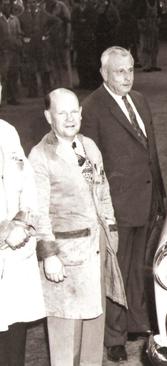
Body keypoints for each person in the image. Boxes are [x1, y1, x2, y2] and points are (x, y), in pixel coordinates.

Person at [29, 88, 126, 366]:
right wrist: (49, 255)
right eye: (62, 112)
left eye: (75, 111)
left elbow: (103, 191)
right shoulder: (40, 156)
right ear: (49, 116)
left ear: (81, 113)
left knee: (94, 333)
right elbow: (38, 211)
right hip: (66, 260)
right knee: (65, 340)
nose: (70, 118)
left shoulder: (89, 146)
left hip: (96, 252)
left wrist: (111, 231)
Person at [80, 46, 165, 362]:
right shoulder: (92, 108)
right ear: (104, 73)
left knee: (135, 268)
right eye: (119, 71)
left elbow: (150, 151)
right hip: (115, 206)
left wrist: (160, 194)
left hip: (145, 199)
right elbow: (89, 163)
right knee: (114, 272)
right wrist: (101, 210)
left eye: (130, 69)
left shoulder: (139, 101)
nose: (127, 76)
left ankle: (136, 323)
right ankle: (114, 337)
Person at [0, 82, 45, 366]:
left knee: (14, 334)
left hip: (14, 252)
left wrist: (21, 220)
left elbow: (28, 186)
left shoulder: (7, 132)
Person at [18, 0, 60, 97]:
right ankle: (33, 91)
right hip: (30, 46)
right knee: (31, 69)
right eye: (30, 2)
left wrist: (48, 34)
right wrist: (23, 36)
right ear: (27, 4)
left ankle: (47, 90)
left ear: (37, 3)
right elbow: (16, 26)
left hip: (42, 45)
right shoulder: (22, 16)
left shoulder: (44, 14)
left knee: (44, 68)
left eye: (34, 2)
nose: (32, 4)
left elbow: (57, 22)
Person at [43, 0, 72, 89]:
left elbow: (68, 23)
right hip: (51, 39)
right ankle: (56, 84)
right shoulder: (45, 7)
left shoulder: (61, 6)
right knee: (53, 62)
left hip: (62, 38)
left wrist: (67, 37)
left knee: (64, 62)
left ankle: (67, 84)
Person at [71, 0, 99, 89]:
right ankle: (83, 82)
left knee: (90, 61)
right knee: (80, 62)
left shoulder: (91, 9)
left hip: (89, 38)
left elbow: (94, 22)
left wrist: (83, 22)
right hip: (79, 39)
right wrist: (82, 22)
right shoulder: (76, 10)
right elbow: (73, 23)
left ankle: (92, 83)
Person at [0, 0, 23, 105]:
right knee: (2, 76)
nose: (8, 8)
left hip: (14, 51)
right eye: (5, 5)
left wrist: (19, 43)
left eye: (9, 6)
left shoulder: (15, 19)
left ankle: (12, 97)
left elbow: (19, 33)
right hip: (2, 52)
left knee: (13, 75)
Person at [139, 0, 160, 72]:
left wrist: (158, 20)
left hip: (154, 27)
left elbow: (159, 13)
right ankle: (146, 66)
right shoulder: (143, 2)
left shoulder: (156, 2)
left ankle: (154, 64)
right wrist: (143, 26)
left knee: (155, 46)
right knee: (145, 46)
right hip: (146, 27)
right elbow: (139, 16)